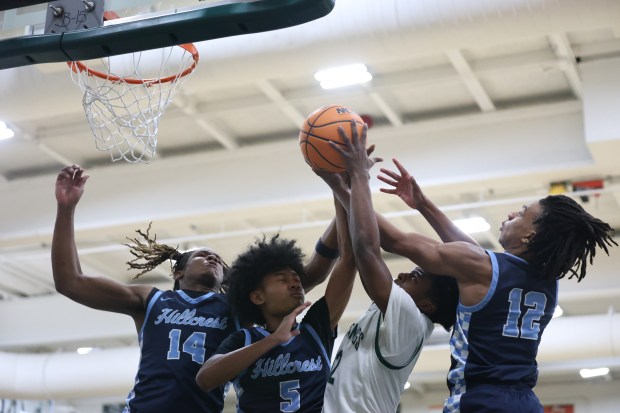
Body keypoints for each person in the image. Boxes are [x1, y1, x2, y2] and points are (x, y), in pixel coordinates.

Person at [329, 125, 618, 412]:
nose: (511, 213)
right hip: (526, 403)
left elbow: (392, 241)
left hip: (481, 401)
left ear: (530, 237)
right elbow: (473, 253)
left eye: (522, 212)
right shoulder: (546, 281)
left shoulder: (482, 267)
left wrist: (354, 181)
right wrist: (422, 204)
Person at [52, 164, 340, 413]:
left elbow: (308, 275)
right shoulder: (152, 300)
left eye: (218, 258)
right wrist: (66, 209)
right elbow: (71, 282)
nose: (212, 257)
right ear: (178, 270)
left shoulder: (236, 308)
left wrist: (344, 200)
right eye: (202, 255)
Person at [316, 126, 459, 413]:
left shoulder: (410, 321)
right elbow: (351, 251)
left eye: (417, 276)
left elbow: (367, 249)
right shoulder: (396, 312)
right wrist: (341, 183)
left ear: (428, 305)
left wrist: (358, 177)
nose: (404, 274)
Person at [196, 195, 356, 413]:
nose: (295, 282)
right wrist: (273, 340)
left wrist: (344, 187)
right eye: (282, 278)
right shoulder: (243, 339)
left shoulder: (316, 328)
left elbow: (348, 259)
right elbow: (205, 378)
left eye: (296, 277)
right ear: (257, 297)